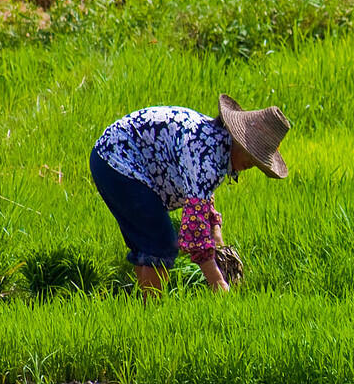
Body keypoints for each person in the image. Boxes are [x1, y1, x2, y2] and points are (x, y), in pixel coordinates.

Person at [89, 94, 290, 295]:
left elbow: (200, 194)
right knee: (161, 244)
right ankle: (151, 311)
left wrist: (216, 234)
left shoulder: (217, 140)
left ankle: (145, 309)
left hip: (111, 157)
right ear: (238, 141)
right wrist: (219, 284)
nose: (252, 164)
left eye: (258, 160)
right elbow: (194, 235)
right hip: (117, 160)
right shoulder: (208, 157)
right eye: (252, 155)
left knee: (149, 244)